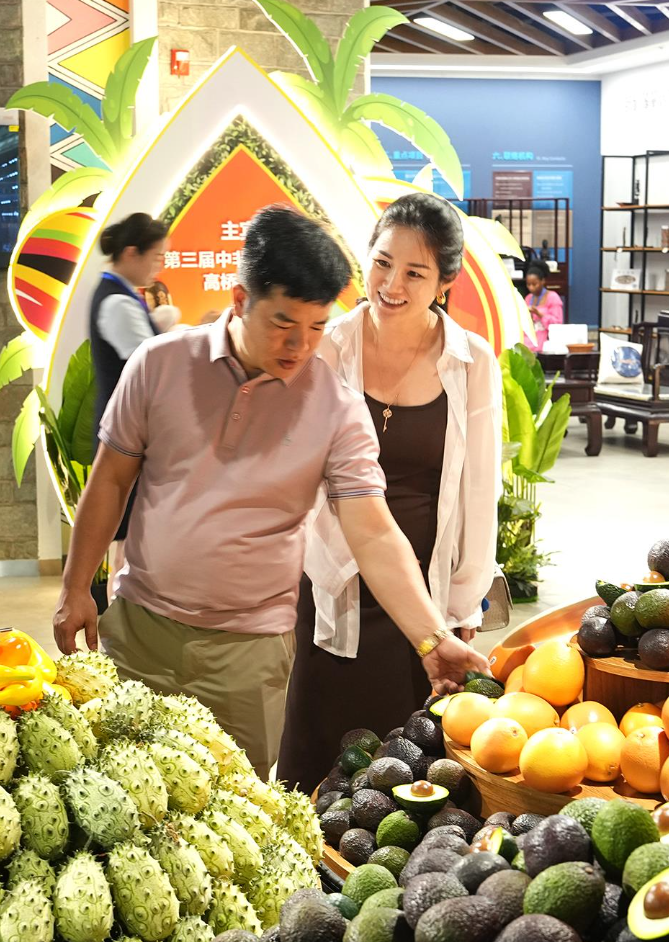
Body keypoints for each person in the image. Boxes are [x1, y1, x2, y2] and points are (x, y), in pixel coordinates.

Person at [53, 204, 487, 774]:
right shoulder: (159, 365)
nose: (300, 346)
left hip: (250, 649)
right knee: (121, 802)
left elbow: (375, 532)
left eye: (315, 327)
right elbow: (111, 479)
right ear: (240, 301)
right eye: (283, 323)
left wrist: (434, 639)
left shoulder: (335, 408)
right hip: (141, 631)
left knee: (236, 822)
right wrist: (76, 587)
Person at [277, 194, 501, 789]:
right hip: (333, 576)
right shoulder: (330, 345)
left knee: (405, 762)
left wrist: (461, 601)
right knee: (316, 746)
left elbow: (479, 489)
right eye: (381, 263)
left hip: (422, 588)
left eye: (414, 272)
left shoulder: (471, 361)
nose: (391, 284)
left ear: (445, 282)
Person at [90, 212, 168, 577]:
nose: (159, 267)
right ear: (132, 253)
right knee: (127, 552)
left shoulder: (121, 295)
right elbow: (149, 365)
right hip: (128, 439)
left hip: (131, 437)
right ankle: (120, 630)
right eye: (156, 257)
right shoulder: (117, 302)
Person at [523, 258, 564, 340]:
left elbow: (558, 324)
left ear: (543, 281)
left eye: (534, 284)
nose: (531, 287)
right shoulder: (528, 298)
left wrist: (539, 314)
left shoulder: (553, 297)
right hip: (529, 337)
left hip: (547, 339)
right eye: (528, 284)